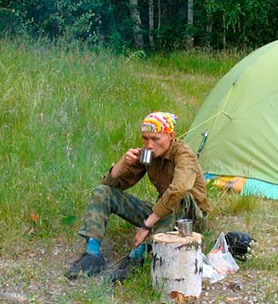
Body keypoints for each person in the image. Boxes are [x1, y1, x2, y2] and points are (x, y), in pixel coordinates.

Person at [66, 111, 211, 282]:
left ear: (171, 136)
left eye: (155, 139)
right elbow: (110, 186)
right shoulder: (149, 154)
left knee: (179, 196)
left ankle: (139, 256)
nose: (149, 144)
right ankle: (92, 254)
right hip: (164, 215)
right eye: (145, 138)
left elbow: (178, 190)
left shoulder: (183, 154)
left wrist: (146, 225)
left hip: (190, 221)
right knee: (101, 192)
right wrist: (122, 163)